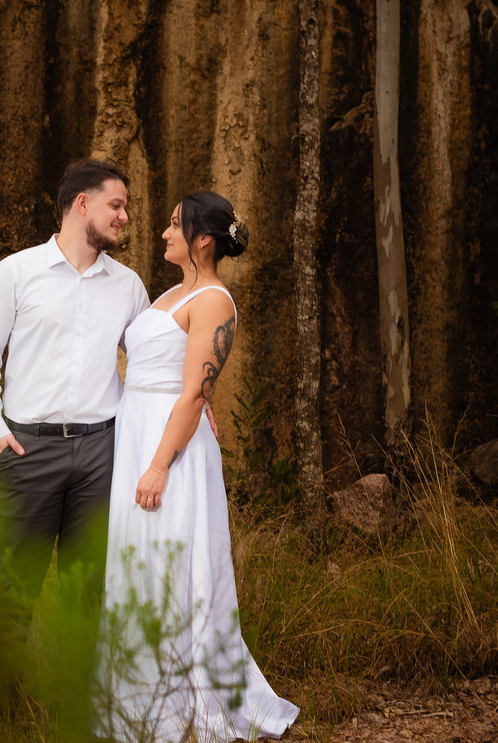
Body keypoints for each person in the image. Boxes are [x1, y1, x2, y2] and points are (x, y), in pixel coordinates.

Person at [97, 192, 299, 742]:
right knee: (137, 562)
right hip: (137, 432)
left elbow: (193, 393)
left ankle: (179, 695)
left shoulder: (213, 299)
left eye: (172, 224)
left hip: (171, 449)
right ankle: (132, 689)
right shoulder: (168, 293)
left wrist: (160, 465)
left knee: (170, 563)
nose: (163, 232)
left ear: (202, 238)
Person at [0, 159, 150, 612]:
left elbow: (149, 361)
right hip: (29, 450)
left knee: (87, 591)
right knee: (16, 587)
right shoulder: (15, 272)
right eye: (117, 205)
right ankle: (2, 685)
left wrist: (194, 394)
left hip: (102, 454)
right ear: (83, 204)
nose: (125, 216)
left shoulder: (128, 286)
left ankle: (75, 685)